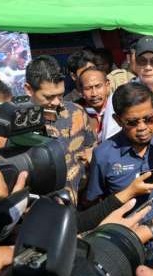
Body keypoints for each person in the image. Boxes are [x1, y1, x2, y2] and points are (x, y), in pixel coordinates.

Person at [86, 82, 153, 221]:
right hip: (123, 238)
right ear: (118, 120)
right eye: (132, 122)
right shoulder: (103, 155)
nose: (142, 127)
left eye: (149, 119)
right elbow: (93, 204)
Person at [24, 55, 96, 199]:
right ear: (29, 89)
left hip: (83, 204)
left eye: (60, 95)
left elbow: (91, 146)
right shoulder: (20, 123)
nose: (57, 102)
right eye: (49, 97)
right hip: (42, 209)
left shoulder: (77, 111)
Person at [101, 36, 153, 140]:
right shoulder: (121, 96)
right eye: (142, 61)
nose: (148, 67)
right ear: (135, 63)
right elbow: (111, 140)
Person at [76, 66, 110, 142]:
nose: (94, 93)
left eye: (98, 86)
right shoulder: (76, 113)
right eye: (88, 88)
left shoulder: (118, 109)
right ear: (81, 91)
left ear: (107, 85)